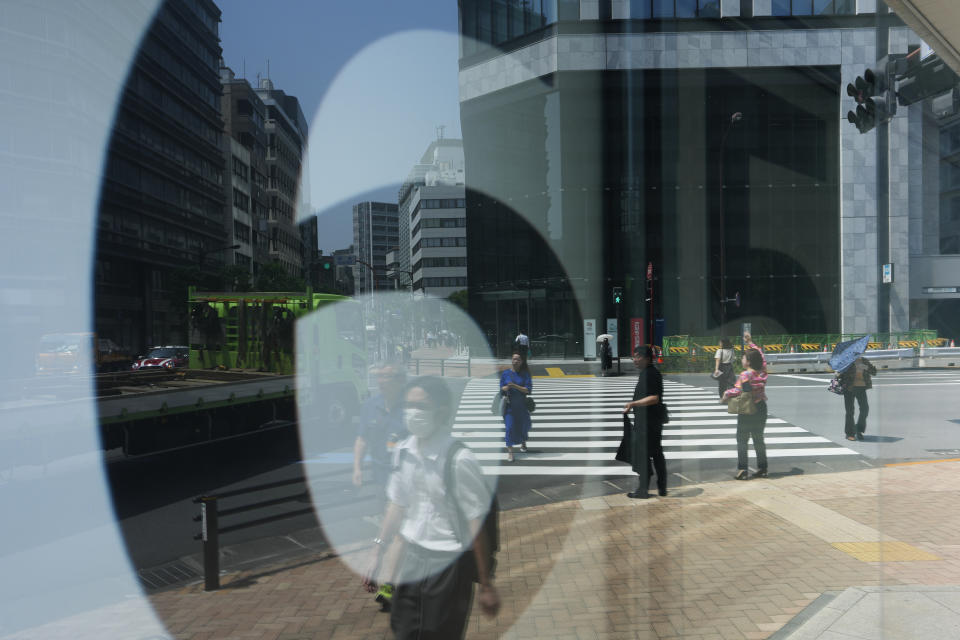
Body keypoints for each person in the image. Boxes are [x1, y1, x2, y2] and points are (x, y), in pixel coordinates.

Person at [362, 377, 500, 639]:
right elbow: (397, 505)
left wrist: (486, 583)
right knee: (403, 629)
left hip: (448, 565)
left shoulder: (459, 459)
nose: (413, 412)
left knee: (438, 633)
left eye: (421, 406)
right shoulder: (403, 451)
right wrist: (377, 550)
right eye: (408, 405)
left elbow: (476, 525)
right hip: (412, 559)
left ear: (442, 410)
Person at [353, 362, 408, 610]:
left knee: (397, 536)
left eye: (387, 376)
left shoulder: (411, 408)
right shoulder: (370, 406)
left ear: (399, 380)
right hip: (381, 480)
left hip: (408, 484)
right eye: (379, 376)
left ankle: (388, 586)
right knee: (391, 535)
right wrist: (357, 468)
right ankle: (393, 582)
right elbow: (362, 438)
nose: (381, 380)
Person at [621, 345, 667, 498]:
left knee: (643, 455)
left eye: (637, 357)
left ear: (647, 358)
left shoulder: (650, 374)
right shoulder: (648, 373)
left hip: (649, 423)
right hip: (651, 422)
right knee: (656, 453)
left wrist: (632, 404)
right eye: (634, 356)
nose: (634, 360)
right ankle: (662, 487)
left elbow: (654, 398)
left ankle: (643, 490)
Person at [723, 348, 768, 480]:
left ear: (748, 362)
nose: (741, 360)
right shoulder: (762, 373)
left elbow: (738, 391)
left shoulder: (745, 375)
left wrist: (726, 394)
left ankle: (743, 469)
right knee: (758, 439)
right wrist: (750, 343)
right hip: (761, 408)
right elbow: (762, 358)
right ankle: (763, 468)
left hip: (748, 409)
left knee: (742, 439)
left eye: (743, 358)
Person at [500, 352, 533, 462]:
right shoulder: (505, 374)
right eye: (514, 359)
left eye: (518, 359)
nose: (515, 361)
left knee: (524, 426)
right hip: (509, 406)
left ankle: (523, 442)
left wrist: (514, 386)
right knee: (509, 428)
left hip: (522, 406)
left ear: (521, 362)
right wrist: (505, 388)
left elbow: (528, 390)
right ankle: (510, 452)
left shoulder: (525, 374)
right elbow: (501, 388)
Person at [839, 356, 877, 441]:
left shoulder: (864, 361)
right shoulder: (847, 360)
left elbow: (874, 372)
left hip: (861, 388)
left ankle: (858, 429)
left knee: (865, 409)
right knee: (850, 411)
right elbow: (840, 373)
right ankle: (849, 433)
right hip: (849, 388)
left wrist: (864, 367)